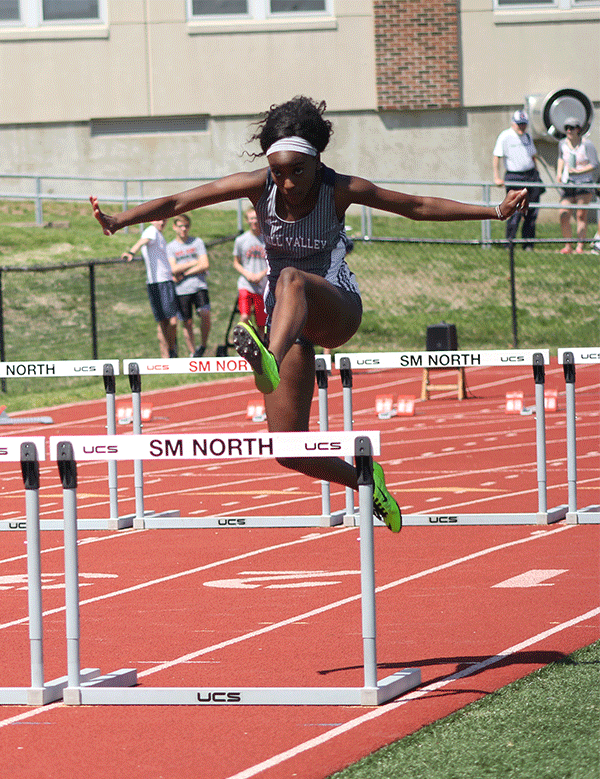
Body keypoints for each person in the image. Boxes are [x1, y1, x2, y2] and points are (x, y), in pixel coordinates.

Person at [91, 96, 528, 533]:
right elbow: (180, 201)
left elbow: (416, 206)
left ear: (317, 163)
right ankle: (365, 477)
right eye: (278, 173)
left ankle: (267, 358)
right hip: (289, 324)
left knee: (291, 280)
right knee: (288, 447)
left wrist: (494, 210)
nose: (286, 183)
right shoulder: (256, 185)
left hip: (337, 306)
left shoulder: (338, 189)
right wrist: (119, 220)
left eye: (296, 171)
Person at [122, 219, 178, 358]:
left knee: (171, 321)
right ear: (152, 220)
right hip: (158, 283)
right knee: (165, 321)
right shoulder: (151, 231)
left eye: (164, 220)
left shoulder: (159, 234)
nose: (162, 223)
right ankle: (166, 355)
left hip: (165, 280)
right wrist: (131, 252)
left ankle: (171, 351)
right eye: (159, 220)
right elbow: (142, 241)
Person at [493, 110, 545, 250]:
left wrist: (537, 173)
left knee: (531, 211)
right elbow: (497, 156)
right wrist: (496, 177)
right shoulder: (505, 136)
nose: (522, 127)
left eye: (524, 124)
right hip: (515, 176)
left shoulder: (527, 136)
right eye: (519, 124)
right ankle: (509, 243)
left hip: (530, 175)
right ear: (513, 123)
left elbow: (533, 156)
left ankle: (528, 244)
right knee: (515, 210)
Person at [167, 214, 211, 356]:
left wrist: (185, 273)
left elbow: (204, 264)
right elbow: (173, 269)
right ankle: (193, 353)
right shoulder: (171, 247)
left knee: (205, 313)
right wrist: (193, 262)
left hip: (199, 286)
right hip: (182, 290)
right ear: (175, 227)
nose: (183, 229)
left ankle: (203, 345)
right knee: (187, 322)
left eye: (186, 226)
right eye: (180, 226)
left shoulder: (197, 242)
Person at [556, 118, 599, 254]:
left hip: (584, 183)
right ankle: (567, 245)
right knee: (563, 214)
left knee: (581, 214)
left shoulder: (587, 145)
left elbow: (594, 164)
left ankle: (579, 246)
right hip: (568, 183)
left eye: (572, 127)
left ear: (578, 129)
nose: (569, 130)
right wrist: (558, 174)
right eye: (567, 127)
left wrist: (578, 171)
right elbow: (561, 158)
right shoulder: (562, 143)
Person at [233, 207, 268, 340]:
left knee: (261, 322)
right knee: (244, 316)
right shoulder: (241, 240)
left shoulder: (266, 239)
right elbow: (236, 262)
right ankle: (243, 341)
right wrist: (247, 274)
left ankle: (260, 347)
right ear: (247, 220)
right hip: (246, 284)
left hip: (262, 285)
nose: (254, 221)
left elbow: (272, 263)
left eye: (256, 218)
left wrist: (261, 274)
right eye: (251, 218)